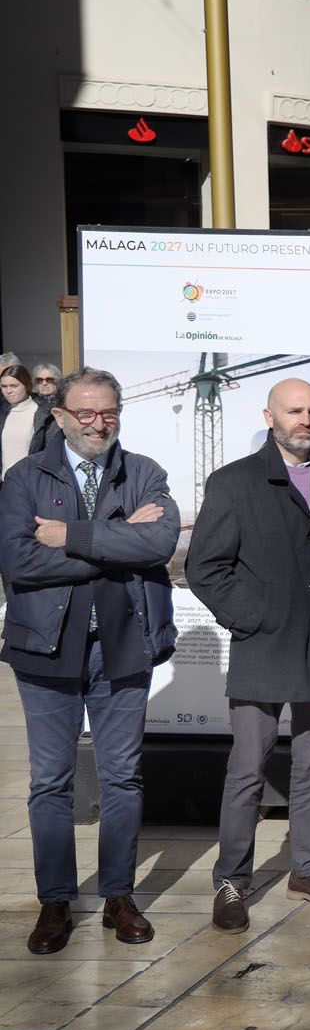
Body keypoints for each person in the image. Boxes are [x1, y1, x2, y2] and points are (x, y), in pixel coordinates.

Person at [2, 368, 178, 953]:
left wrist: (73, 535)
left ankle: (118, 897)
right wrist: (114, 538)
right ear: (59, 416)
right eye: (85, 413)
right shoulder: (23, 479)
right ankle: (55, 901)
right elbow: (20, 562)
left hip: (123, 648)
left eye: (108, 412)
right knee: (50, 782)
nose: (98, 423)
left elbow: (158, 544)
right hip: (46, 649)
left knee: (122, 778)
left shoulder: (143, 473)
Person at [189, 380, 310, 929]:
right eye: (296, 411)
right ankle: (231, 881)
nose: (307, 420)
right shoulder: (235, 482)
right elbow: (206, 568)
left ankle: (309, 868)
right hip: (264, 646)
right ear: (269, 415)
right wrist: (256, 617)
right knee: (247, 768)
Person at [1, 364, 52, 477]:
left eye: (14, 386)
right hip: (4, 483)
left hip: (31, 482)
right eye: (4, 386)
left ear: (27, 385)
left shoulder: (44, 414)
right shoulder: (3, 413)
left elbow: (50, 452)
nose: (8, 391)